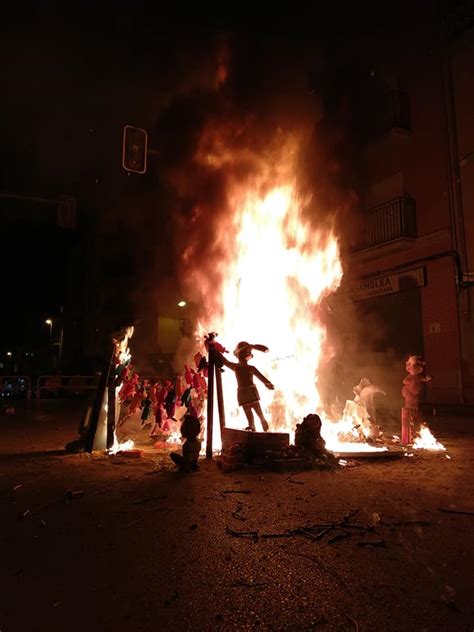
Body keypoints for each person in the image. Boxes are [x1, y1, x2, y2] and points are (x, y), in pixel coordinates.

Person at [216, 341, 274, 432]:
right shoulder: (250, 368)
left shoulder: (236, 367)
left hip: (243, 395)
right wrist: (267, 383)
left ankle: (254, 426)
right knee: (257, 411)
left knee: (250, 413)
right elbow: (261, 377)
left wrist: (216, 351)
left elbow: (225, 362)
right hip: (250, 393)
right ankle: (258, 423)